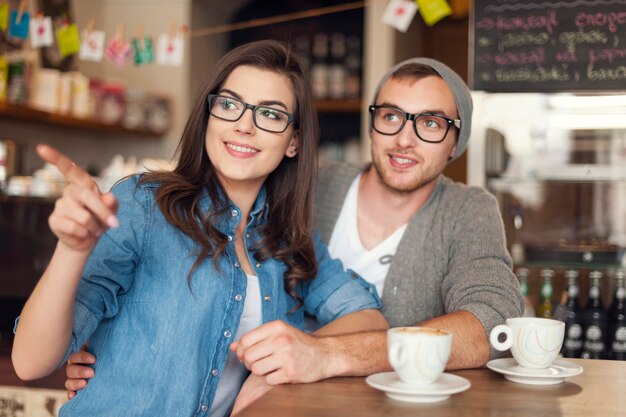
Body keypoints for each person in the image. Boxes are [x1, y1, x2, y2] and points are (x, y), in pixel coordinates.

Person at [63, 57, 524, 413]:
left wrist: (319, 355)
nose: (404, 138)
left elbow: (491, 322)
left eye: (429, 123)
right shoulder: (302, 186)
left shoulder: (469, 210)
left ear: (455, 143)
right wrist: (114, 347)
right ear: (372, 123)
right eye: (391, 116)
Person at [11, 40, 386, 417]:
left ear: (294, 142)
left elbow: (369, 318)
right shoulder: (143, 205)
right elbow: (31, 362)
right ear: (209, 116)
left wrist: (304, 354)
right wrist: (71, 250)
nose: (243, 125)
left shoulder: (287, 237)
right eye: (228, 104)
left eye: (270, 115)